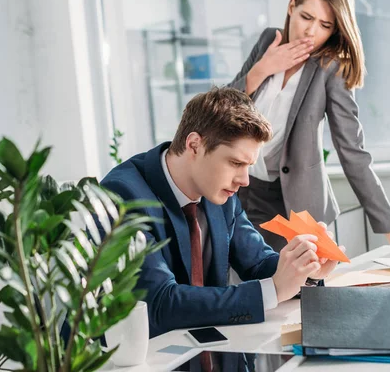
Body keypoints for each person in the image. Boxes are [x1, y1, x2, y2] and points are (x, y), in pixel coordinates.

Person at [100, 87, 343, 339]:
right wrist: (274, 289)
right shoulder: (121, 195)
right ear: (194, 145)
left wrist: (306, 270)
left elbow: (258, 263)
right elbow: (161, 302)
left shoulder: (220, 190)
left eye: (249, 165)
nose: (245, 180)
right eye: (236, 163)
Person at [228, 0, 390, 254]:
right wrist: (261, 70)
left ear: (334, 30)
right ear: (291, 7)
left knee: (302, 291)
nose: (311, 31)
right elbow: (220, 109)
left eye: (324, 25)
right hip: (240, 191)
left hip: (293, 202)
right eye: (306, 17)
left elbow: (352, 151)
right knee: (248, 290)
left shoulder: (331, 69)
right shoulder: (268, 41)